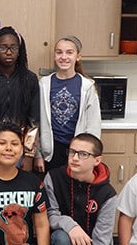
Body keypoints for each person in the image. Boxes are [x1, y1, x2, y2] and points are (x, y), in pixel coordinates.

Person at [44, 133, 130, 245]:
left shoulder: (108, 194)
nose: (75, 158)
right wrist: (71, 225)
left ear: (97, 160)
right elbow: (51, 215)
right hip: (68, 242)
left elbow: (102, 240)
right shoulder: (53, 177)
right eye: (72, 152)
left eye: (83, 154)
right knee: (61, 239)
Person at [0, 26, 41, 173]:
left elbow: (33, 120)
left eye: (13, 47)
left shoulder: (30, 79)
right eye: (3, 48)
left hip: (19, 146)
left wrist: (29, 156)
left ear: (19, 51)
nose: (9, 52)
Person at [39, 35, 101, 171]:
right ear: (54, 56)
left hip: (78, 150)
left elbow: (93, 125)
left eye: (69, 52)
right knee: (52, 183)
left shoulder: (87, 86)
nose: (63, 57)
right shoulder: (44, 84)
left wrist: (89, 154)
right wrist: (38, 154)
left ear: (78, 57)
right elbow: (37, 121)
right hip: (51, 150)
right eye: (59, 52)